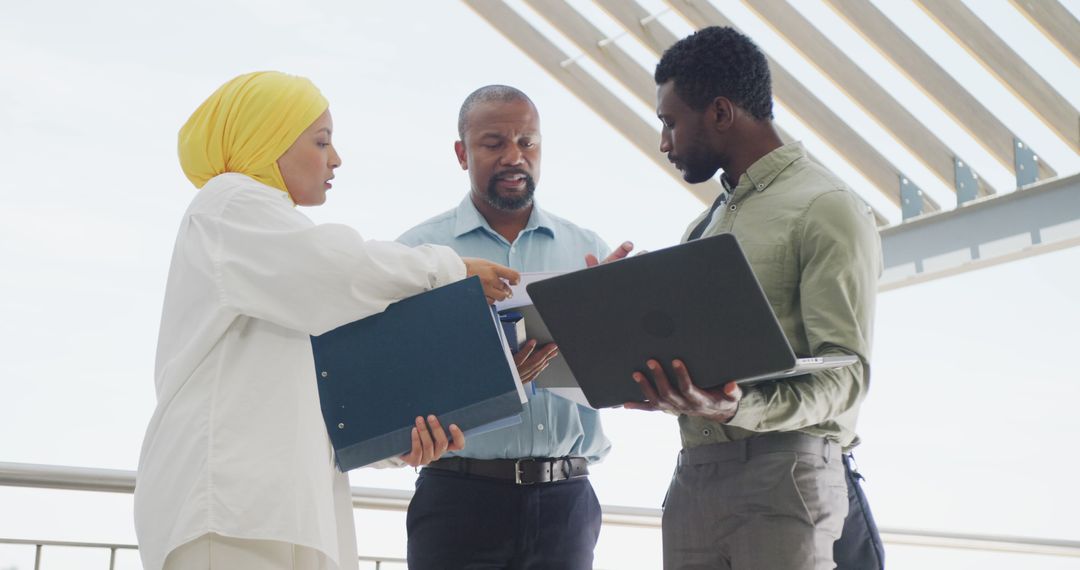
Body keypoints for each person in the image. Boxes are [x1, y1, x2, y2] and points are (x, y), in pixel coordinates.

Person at [134, 71, 520, 570]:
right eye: (320, 141)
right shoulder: (229, 202)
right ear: (265, 140)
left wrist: (400, 442)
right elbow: (339, 266)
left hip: (274, 511)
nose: (335, 158)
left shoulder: (274, 246)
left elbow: (327, 393)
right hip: (227, 509)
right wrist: (451, 268)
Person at [626, 28, 883, 570]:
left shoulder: (826, 207)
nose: (664, 144)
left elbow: (847, 375)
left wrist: (740, 407)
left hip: (784, 475)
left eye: (670, 123)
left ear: (720, 112)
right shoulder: (704, 224)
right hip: (696, 475)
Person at [397, 85, 633, 570]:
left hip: (566, 505)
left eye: (528, 142)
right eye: (493, 143)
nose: (514, 157)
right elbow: (401, 380)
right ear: (462, 153)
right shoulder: (418, 254)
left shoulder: (585, 248)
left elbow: (617, 372)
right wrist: (494, 374)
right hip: (458, 501)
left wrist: (615, 320)